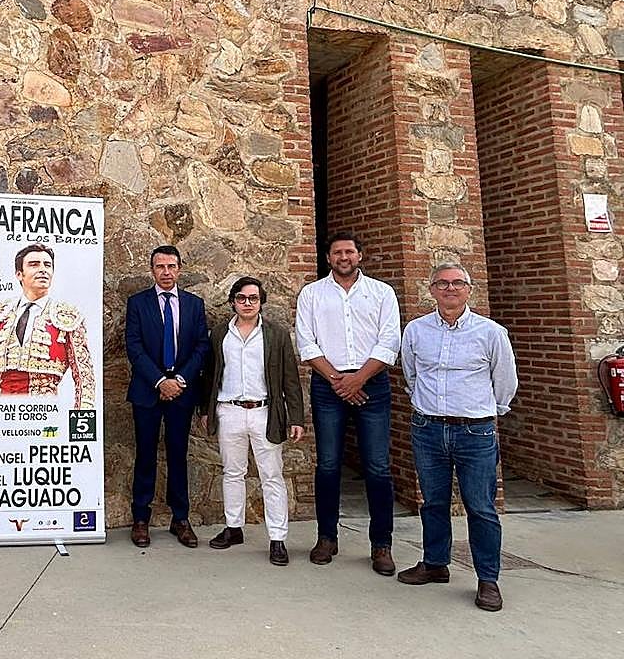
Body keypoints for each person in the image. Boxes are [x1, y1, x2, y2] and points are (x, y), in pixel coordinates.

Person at [397, 262, 518, 612]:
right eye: (442, 283)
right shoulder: (416, 330)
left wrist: (487, 411)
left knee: (480, 507)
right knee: (433, 502)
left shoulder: (491, 332)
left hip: (475, 431)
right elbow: (411, 374)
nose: (450, 289)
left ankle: (488, 579)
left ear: (469, 289)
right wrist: (427, 405)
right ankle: (435, 563)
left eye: (457, 283)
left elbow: (505, 380)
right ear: (431, 290)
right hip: (428, 429)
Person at [295, 230, 400, 575]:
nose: (344, 257)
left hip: (373, 385)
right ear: (328, 258)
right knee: (328, 465)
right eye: (337, 253)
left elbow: (389, 342)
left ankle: (381, 544)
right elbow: (307, 343)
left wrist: (358, 379)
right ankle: (327, 537)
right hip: (329, 386)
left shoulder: (382, 293)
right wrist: (339, 380)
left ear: (360, 255)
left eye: (349, 252)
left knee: (378, 467)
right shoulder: (312, 294)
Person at [198, 277, 305, 566]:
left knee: (272, 476)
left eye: (253, 298)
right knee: (233, 472)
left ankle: (277, 538)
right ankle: (233, 528)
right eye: (242, 298)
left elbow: (290, 378)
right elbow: (210, 374)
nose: (247, 303)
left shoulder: (276, 334)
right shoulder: (220, 333)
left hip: (264, 411)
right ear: (233, 301)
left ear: (261, 302)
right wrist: (205, 410)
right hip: (229, 410)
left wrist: (296, 417)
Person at [124, 245, 210, 548]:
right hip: (147, 390)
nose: (166, 272)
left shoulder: (194, 305)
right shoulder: (138, 303)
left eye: (171, 266)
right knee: (145, 454)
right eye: (160, 266)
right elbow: (134, 346)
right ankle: (141, 518)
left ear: (179, 269)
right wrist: (160, 381)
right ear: (152, 270)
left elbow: (201, 346)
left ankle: (180, 519)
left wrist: (180, 380)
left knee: (178, 454)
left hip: (182, 392)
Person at [0, 244, 94, 410]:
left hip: (45, 412)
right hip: (2, 411)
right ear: (19, 274)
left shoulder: (67, 317)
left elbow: (84, 375)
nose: (43, 270)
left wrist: (82, 415)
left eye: (47, 265)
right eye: (34, 264)